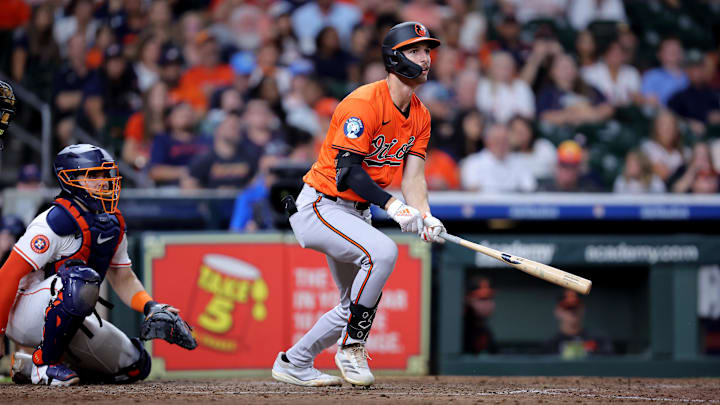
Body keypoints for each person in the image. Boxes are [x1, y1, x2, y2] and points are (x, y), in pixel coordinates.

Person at [271, 22, 446, 388]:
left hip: (356, 212)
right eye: (416, 51)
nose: (425, 59)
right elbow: (348, 173)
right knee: (381, 253)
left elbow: (413, 178)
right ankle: (352, 347)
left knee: (354, 304)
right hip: (321, 204)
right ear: (394, 58)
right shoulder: (363, 103)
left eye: (427, 51)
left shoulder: (421, 115)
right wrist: (394, 207)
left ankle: (294, 361)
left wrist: (426, 215)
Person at [0, 144, 193, 386]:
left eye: (104, 175)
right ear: (70, 179)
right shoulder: (53, 222)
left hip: (70, 317)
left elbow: (122, 277)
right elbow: (7, 276)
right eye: (93, 175)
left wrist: (150, 306)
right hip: (24, 314)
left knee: (135, 365)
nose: (103, 181)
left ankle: (30, 367)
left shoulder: (111, 222)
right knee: (80, 278)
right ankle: (44, 365)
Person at [545, 290, 613, 359]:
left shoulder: (599, 340)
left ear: (583, 309)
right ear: (557, 311)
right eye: (568, 308)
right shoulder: (551, 344)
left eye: (575, 307)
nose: (572, 312)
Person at [463, 278, 497, 354]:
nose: (487, 305)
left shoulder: (485, 330)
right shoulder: (460, 329)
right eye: (481, 300)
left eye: (489, 299)